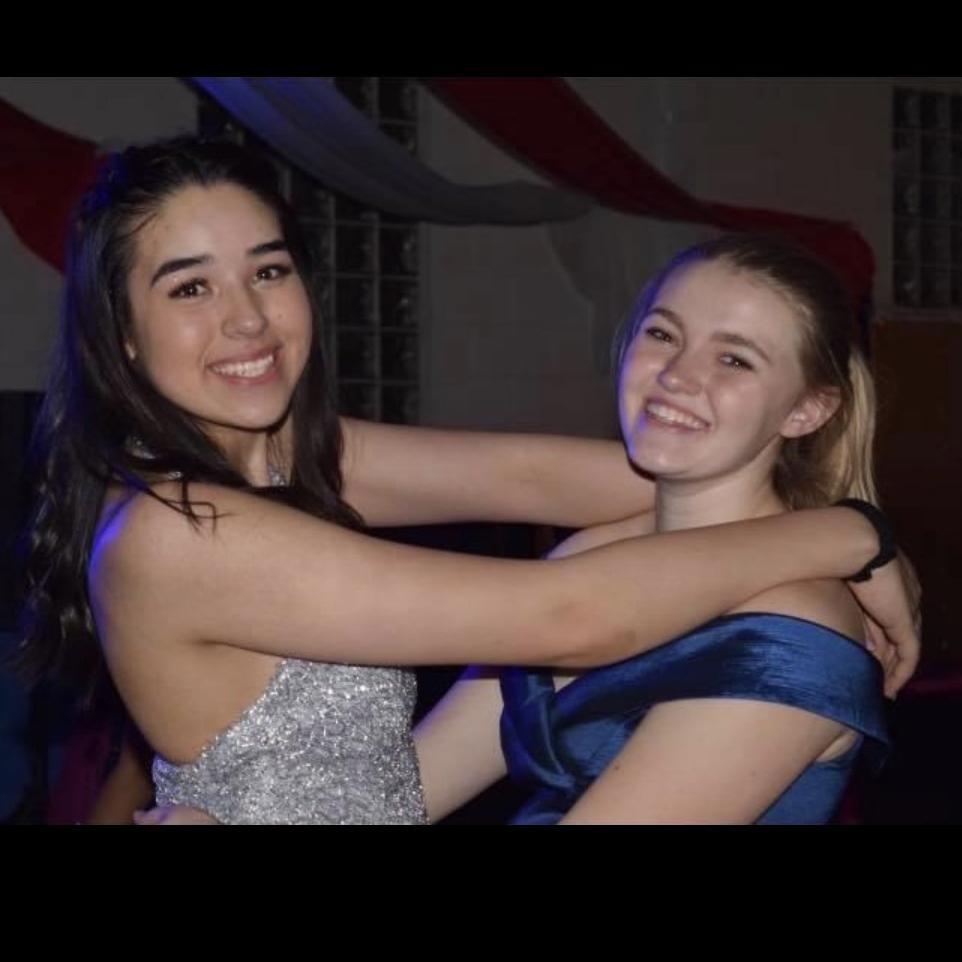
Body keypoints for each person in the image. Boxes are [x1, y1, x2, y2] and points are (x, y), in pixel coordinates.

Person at [18, 138, 916, 824]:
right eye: (189, 289)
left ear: (810, 408)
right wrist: (852, 532)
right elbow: (572, 615)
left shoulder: (290, 453)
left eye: (268, 270)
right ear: (120, 334)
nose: (246, 318)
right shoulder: (177, 528)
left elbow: (555, 480)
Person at [415, 234, 912, 824]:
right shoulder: (596, 552)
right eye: (663, 334)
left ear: (806, 410)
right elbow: (411, 785)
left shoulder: (794, 631)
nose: (677, 374)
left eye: (734, 359)